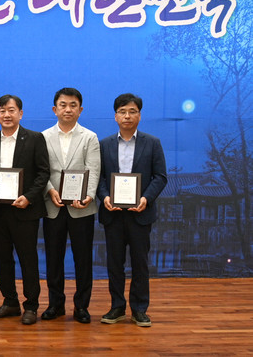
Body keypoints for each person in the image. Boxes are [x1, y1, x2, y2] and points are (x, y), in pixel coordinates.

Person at [98, 93, 167, 327]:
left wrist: (146, 198)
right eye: (122, 112)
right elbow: (99, 178)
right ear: (115, 116)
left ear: (139, 115)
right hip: (113, 214)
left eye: (132, 111)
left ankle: (139, 309)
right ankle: (117, 307)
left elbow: (160, 176)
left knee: (140, 263)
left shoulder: (152, 143)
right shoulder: (105, 144)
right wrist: (105, 197)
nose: (127, 116)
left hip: (141, 213)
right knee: (114, 263)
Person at [0, 94, 50, 325]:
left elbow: (43, 172)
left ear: (20, 113)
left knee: (28, 259)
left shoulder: (35, 138)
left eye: (11, 110)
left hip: (25, 210)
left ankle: (31, 306)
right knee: (2, 259)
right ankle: (10, 302)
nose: (7, 115)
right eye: (2, 110)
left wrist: (29, 197)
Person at [40, 88, 100, 324]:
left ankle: (82, 306)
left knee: (83, 259)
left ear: (80, 110)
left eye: (73, 105)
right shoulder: (43, 137)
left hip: (81, 207)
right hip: (53, 205)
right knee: (53, 259)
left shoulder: (90, 137)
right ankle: (55, 305)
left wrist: (89, 195)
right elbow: (41, 170)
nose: (68, 109)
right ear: (54, 109)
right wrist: (50, 190)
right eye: (63, 105)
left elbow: (93, 169)